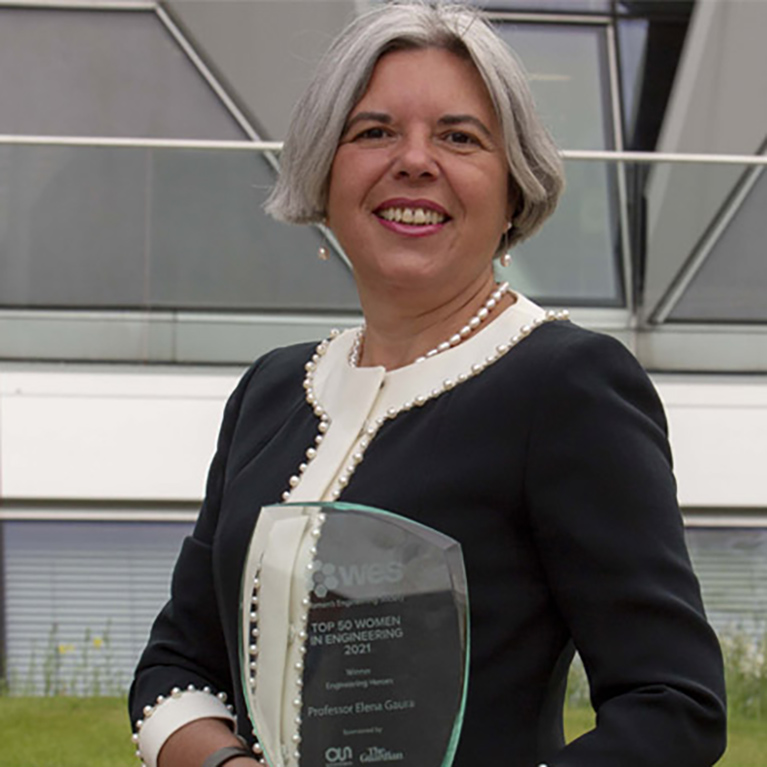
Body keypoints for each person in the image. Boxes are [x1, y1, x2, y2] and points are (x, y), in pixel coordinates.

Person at [129, 4, 727, 767]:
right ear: (324, 168)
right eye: (374, 131)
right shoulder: (271, 392)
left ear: (513, 187)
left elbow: (672, 705)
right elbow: (174, 666)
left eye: (459, 136)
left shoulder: (564, 385)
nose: (413, 160)